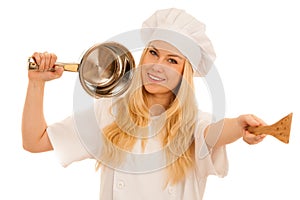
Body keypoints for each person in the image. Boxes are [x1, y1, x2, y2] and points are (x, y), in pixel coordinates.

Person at [22, 8, 267, 200]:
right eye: (153, 52)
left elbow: (213, 132)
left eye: (172, 60)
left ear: (185, 73)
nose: (157, 65)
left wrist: (239, 125)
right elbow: (35, 141)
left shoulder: (193, 123)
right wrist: (36, 84)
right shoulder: (110, 112)